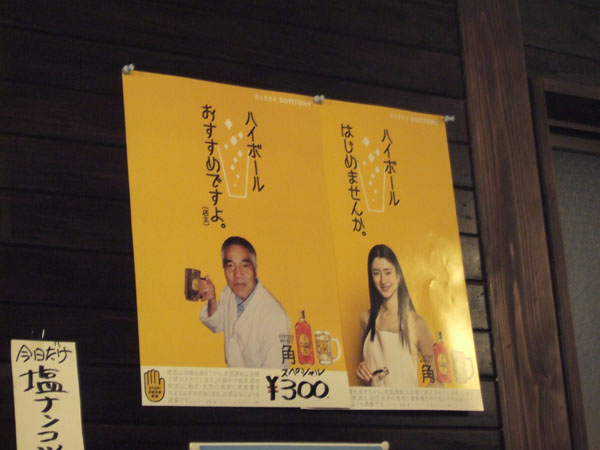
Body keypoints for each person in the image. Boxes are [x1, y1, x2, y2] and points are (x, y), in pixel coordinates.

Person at [197, 236, 291, 368]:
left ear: (255, 269)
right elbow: (216, 324)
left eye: (244, 265)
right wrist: (212, 298)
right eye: (230, 266)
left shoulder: (275, 318)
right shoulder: (229, 293)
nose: (237, 274)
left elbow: (275, 376)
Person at [356, 244, 435, 387]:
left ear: (398, 275)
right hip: (374, 401)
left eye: (388, 272)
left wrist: (416, 401)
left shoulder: (416, 323)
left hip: (406, 401)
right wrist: (365, 375)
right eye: (376, 273)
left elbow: (438, 380)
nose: (383, 281)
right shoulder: (366, 319)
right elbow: (372, 379)